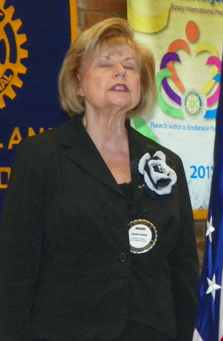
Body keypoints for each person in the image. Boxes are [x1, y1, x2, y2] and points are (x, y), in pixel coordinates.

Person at [0, 18, 199, 341]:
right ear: (77, 83)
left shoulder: (167, 164)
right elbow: (15, 272)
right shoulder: (42, 157)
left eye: (130, 67)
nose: (120, 72)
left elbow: (183, 270)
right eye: (105, 64)